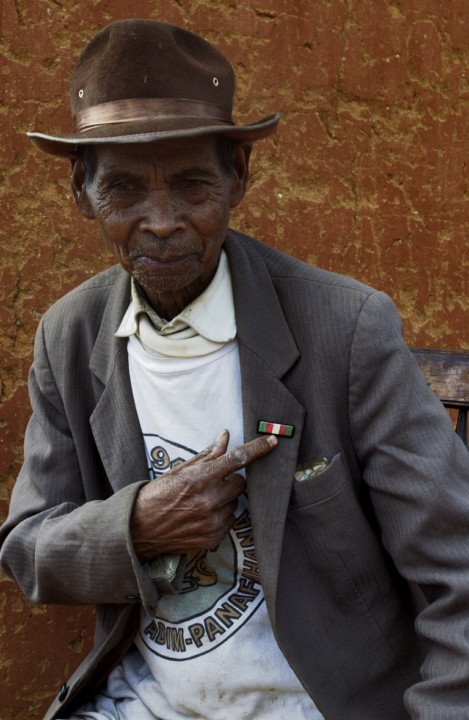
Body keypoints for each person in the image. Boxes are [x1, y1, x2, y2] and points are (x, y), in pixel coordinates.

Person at [2, 17, 469, 720]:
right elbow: (30, 551)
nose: (161, 221)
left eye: (191, 185)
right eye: (124, 190)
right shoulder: (70, 336)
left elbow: (457, 567)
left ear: (239, 176)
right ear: (79, 190)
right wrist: (137, 526)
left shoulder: (344, 329)